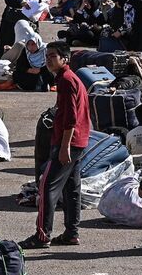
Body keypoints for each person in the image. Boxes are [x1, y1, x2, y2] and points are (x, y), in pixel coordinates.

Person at [24, 41, 90, 249]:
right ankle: (71, 233)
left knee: (46, 186)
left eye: (53, 56)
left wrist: (64, 147)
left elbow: (71, 119)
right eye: (47, 56)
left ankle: (42, 235)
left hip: (69, 142)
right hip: (78, 141)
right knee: (71, 188)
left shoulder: (67, 80)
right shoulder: (68, 78)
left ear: (65, 59)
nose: (48, 60)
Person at [11, 20, 54, 91]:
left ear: (38, 43)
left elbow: (52, 64)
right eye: (28, 44)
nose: (31, 47)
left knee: (49, 74)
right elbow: (20, 66)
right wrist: (29, 70)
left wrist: (40, 70)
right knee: (17, 74)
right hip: (31, 73)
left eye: (33, 44)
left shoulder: (46, 50)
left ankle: (46, 85)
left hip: (44, 72)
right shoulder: (26, 51)